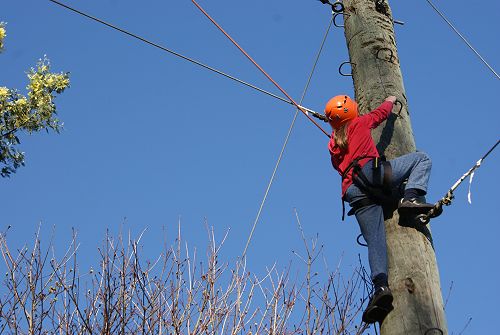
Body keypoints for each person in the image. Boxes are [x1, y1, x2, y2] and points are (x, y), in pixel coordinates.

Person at [325, 94, 436, 324]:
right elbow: (380, 115)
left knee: (375, 240)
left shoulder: (333, 144)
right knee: (421, 159)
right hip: (372, 174)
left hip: (353, 192)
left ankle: (380, 288)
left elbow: (338, 165)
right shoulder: (359, 122)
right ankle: (411, 198)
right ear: (351, 111)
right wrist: (390, 99)